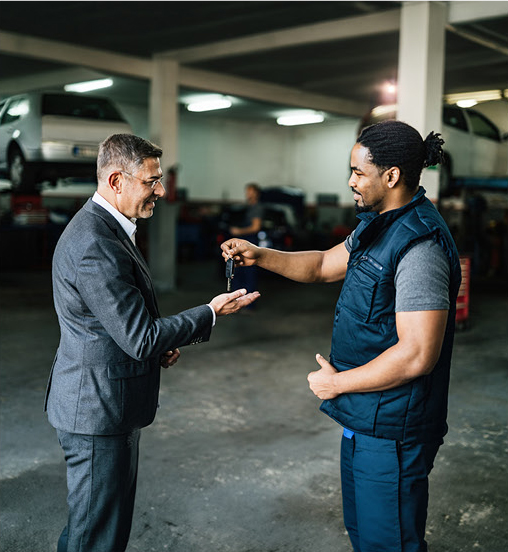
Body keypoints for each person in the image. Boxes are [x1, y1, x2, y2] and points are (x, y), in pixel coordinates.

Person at [221, 120, 462, 552]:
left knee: (389, 543)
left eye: (358, 172)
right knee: (365, 533)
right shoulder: (378, 224)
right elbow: (321, 265)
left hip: (393, 428)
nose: (350, 182)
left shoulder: (419, 246)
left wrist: (336, 384)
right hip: (364, 416)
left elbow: (417, 355)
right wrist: (261, 255)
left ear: (390, 176)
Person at [45, 133, 259, 552]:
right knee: (95, 537)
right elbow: (139, 337)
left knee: (98, 527)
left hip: (108, 404)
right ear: (116, 181)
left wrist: (158, 344)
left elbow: (116, 322)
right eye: (151, 181)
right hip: (96, 412)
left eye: (159, 180)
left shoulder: (110, 227)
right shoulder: (94, 243)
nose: (161, 191)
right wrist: (210, 312)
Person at [228, 182, 263, 298]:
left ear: (256, 193)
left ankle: (249, 304)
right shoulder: (248, 206)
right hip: (244, 241)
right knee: (238, 270)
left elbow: (255, 227)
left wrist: (239, 232)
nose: (247, 194)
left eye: (250, 191)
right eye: (246, 191)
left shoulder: (257, 208)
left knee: (249, 271)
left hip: (250, 241)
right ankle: (237, 300)